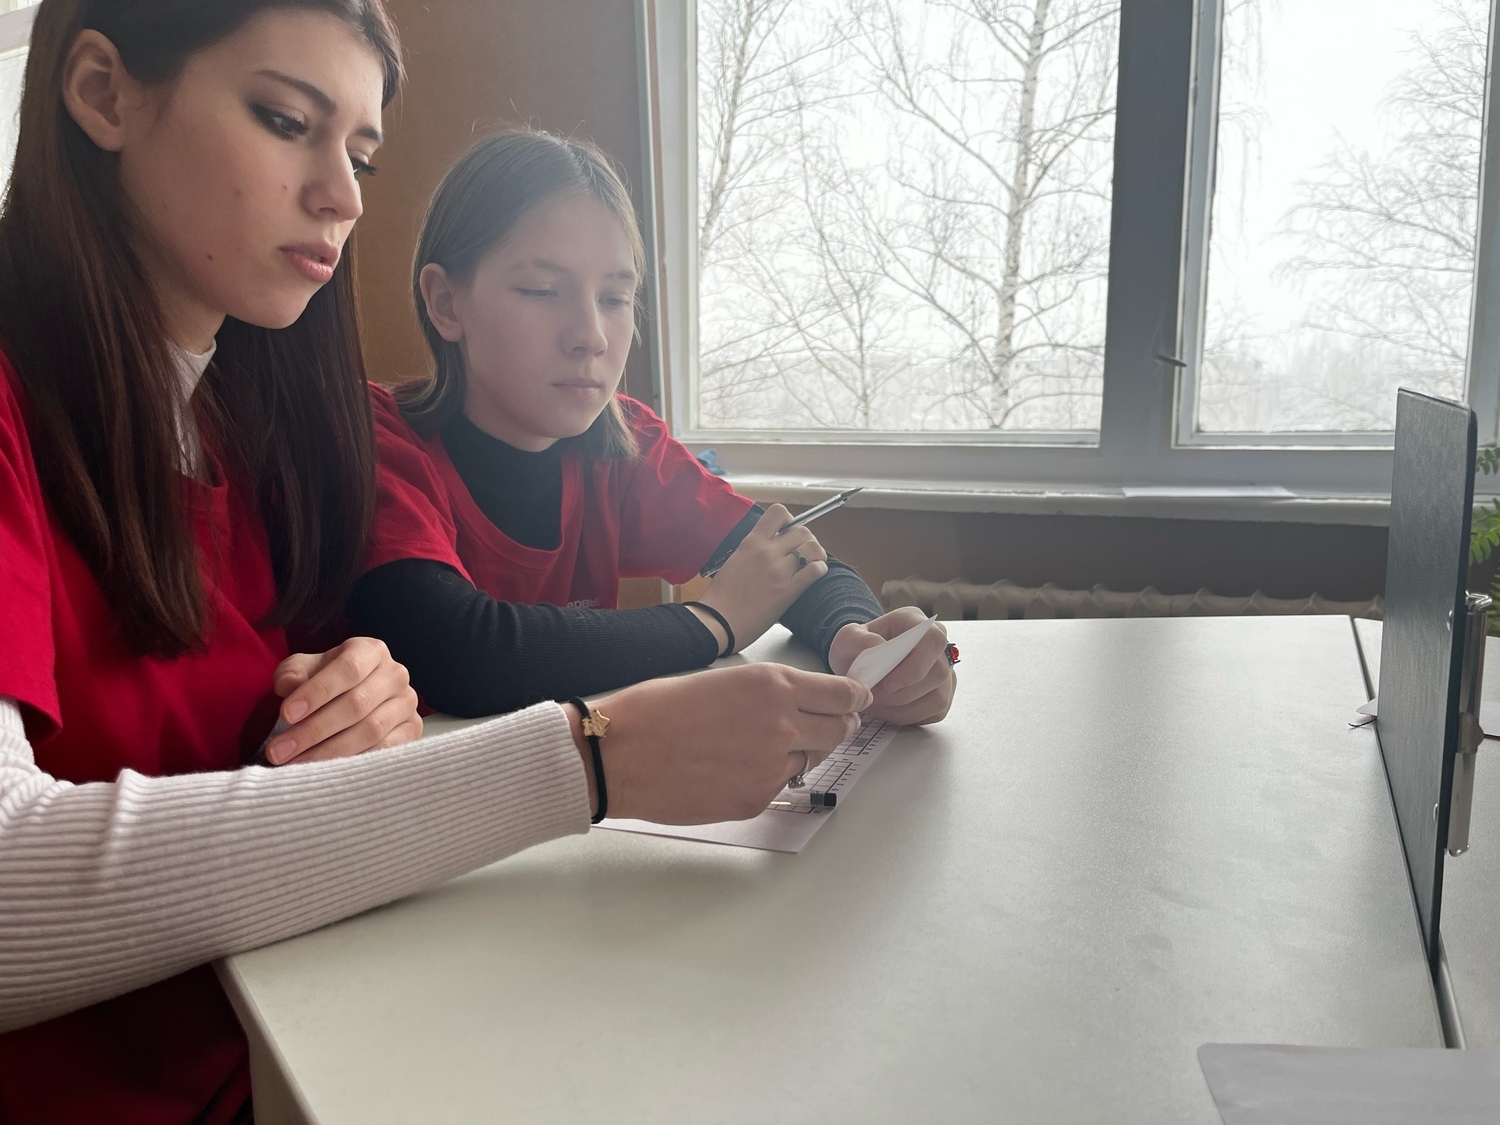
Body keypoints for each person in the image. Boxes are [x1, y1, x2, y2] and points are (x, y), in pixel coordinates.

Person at [0, 3, 870, 1121]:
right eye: (285, 120)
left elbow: (260, 742)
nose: (345, 196)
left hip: (293, 1040)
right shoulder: (58, 414)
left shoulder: (252, 430)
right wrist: (591, 757)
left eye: (362, 155)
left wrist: (361, 693)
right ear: (102, 93)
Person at [350, 130, 958, 725]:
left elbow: (789, 560)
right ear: (446, 302)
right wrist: (714, 622)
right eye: (542, 290)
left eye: (616, 299)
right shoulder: (374, 439)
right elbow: (459, 654)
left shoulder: (623, 442)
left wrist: (856, 638)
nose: (591, 335)